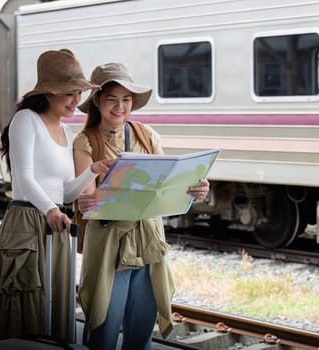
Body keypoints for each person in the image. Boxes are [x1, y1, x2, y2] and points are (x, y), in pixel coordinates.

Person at [0, 49, 110, 350]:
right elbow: (23, 177)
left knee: (55, 310)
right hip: (27, 223)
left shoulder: (65, 129)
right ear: (50, 91)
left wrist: (92, 171)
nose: (77, 101)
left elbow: (63, 193)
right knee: (25, 304)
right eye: (71, 94)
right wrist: (50, 209)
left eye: (79, 93)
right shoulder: (27, 120)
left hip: (57, 224)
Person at [73, 62, 210, 350]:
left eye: (126, 99)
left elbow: (168, 181)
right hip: (109, 243)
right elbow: (89, 200)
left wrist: (196, 189)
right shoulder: (86, 141)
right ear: (97, 101)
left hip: (148, 242)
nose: (120, 106)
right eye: (111, 99)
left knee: (141, 330)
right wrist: (91, 199)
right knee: (104, 329)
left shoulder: (148, 135)